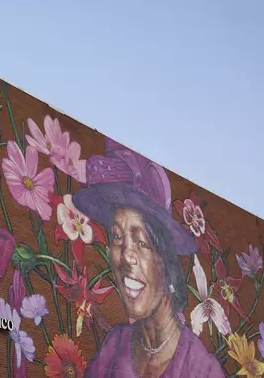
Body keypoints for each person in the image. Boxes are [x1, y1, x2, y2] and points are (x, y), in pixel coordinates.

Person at [71, 138, 224, 378]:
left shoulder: (200, 369)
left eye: (141, 241)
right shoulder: (113, 349)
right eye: (117, 237)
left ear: (166, 260)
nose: (125, 257)